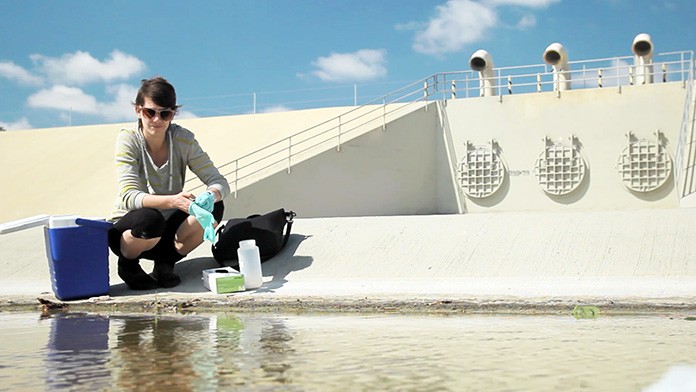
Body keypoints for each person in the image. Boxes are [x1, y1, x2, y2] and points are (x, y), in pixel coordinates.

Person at [108, 76, 230, 290]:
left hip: (168, 231)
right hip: (134, 230)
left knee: (216, 207)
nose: (157, 119)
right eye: (150, 112)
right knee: (149, 218)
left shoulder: (184, 139)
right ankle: (128, 265)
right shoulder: (128, 139)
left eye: (165, 113)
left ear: (173, 114)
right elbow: (128, 195)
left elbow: (219, 181)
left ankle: (165, 264)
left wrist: (211, 195)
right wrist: (173, 202)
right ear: (138, 111)